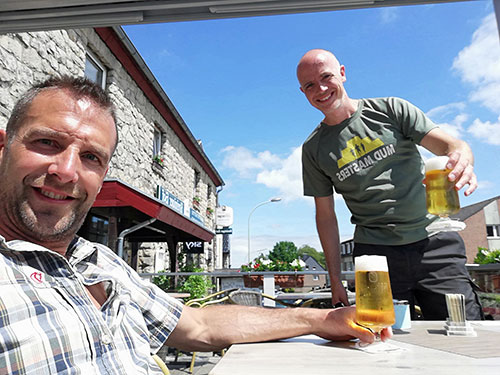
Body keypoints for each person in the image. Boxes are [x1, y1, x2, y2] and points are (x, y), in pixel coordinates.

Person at [0, 76, 390, 375]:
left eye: (90, 157)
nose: (66, 171)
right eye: (47, 143)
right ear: (4, 147)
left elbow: (198, 324)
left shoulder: (98, 260)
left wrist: (322, 319)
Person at [298, 49, 483, 321]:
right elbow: (325, 216)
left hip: (434, 241)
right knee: (380, 337)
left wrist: (463, 157)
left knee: (463, 329)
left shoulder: (391, 109)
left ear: (343, 74)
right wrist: (335, 279)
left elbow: (451, 145)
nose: (321, 88)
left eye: (326, 76)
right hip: (374, 255)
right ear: (303, 92)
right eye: (310, 85)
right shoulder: (313, 148)